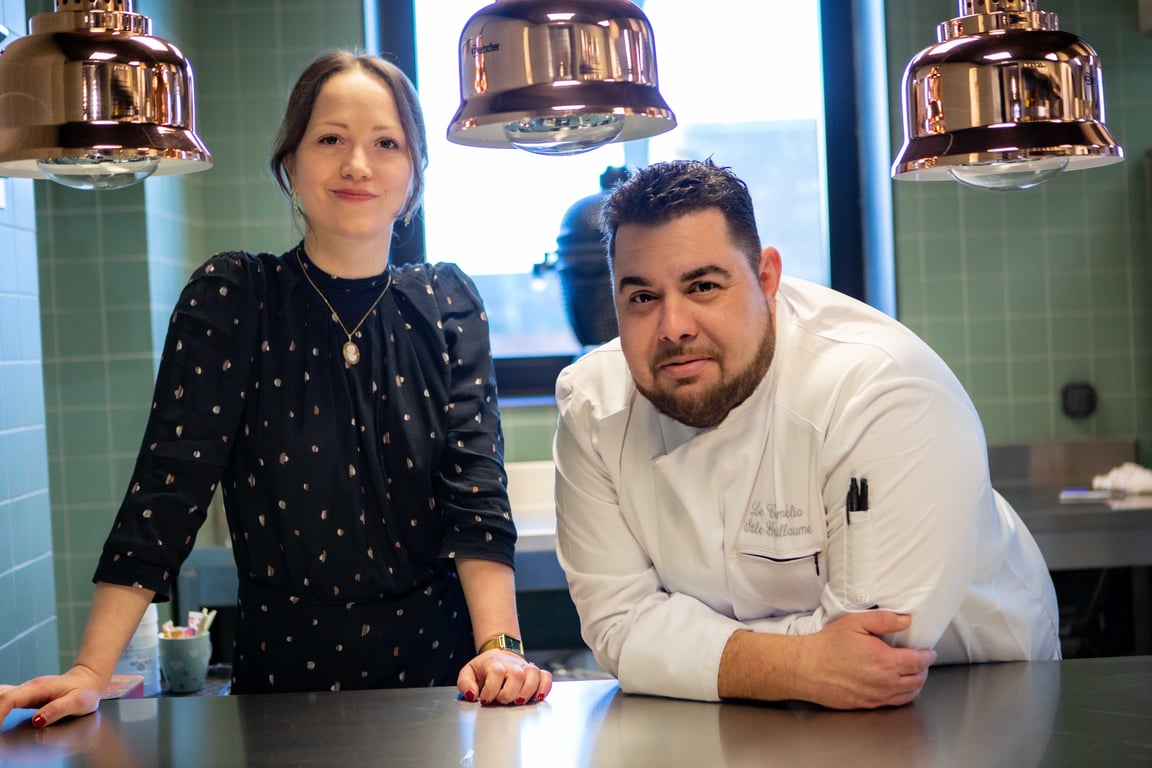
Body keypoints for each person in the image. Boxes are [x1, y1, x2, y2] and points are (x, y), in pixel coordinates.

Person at [0, 51, 551, 727]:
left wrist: (500, 648)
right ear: (290, 162)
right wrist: (90, 670)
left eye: (386, 143)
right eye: (330, 139)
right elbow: (165, 493)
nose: (357, 164)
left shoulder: (447, 303)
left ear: (414, 176)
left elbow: (476, 494)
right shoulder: (234, 299)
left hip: (440, 686)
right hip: (280, 688)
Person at [553, 159, 1060, 710]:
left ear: (766, 278)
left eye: (702, 286)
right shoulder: (592, 406)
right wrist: (798, 663)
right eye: (643, 298)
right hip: (741, 711)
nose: (674, 327)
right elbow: (616, 627)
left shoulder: (880, 389)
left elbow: (878, 651)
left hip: (972, 696)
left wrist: (682, 645)